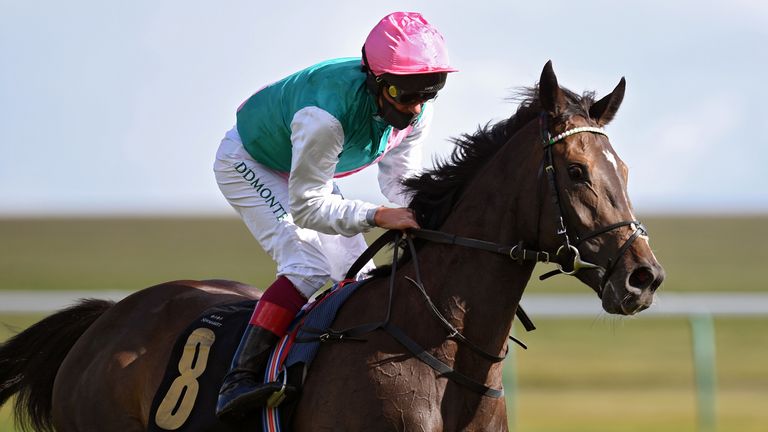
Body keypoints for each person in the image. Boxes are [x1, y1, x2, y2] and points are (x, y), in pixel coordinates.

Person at [212, 11, 457, 420]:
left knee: (357, 279)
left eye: (429, 91)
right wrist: (379, 215)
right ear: (375, 79)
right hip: (250, 161)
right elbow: (308, 205)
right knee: (306, 265)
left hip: (300, 166)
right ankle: (239, 379)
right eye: (403, 91)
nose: (415, 106)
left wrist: (422, 213)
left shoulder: (417, 105)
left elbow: (400, 176)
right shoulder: (324, 117)